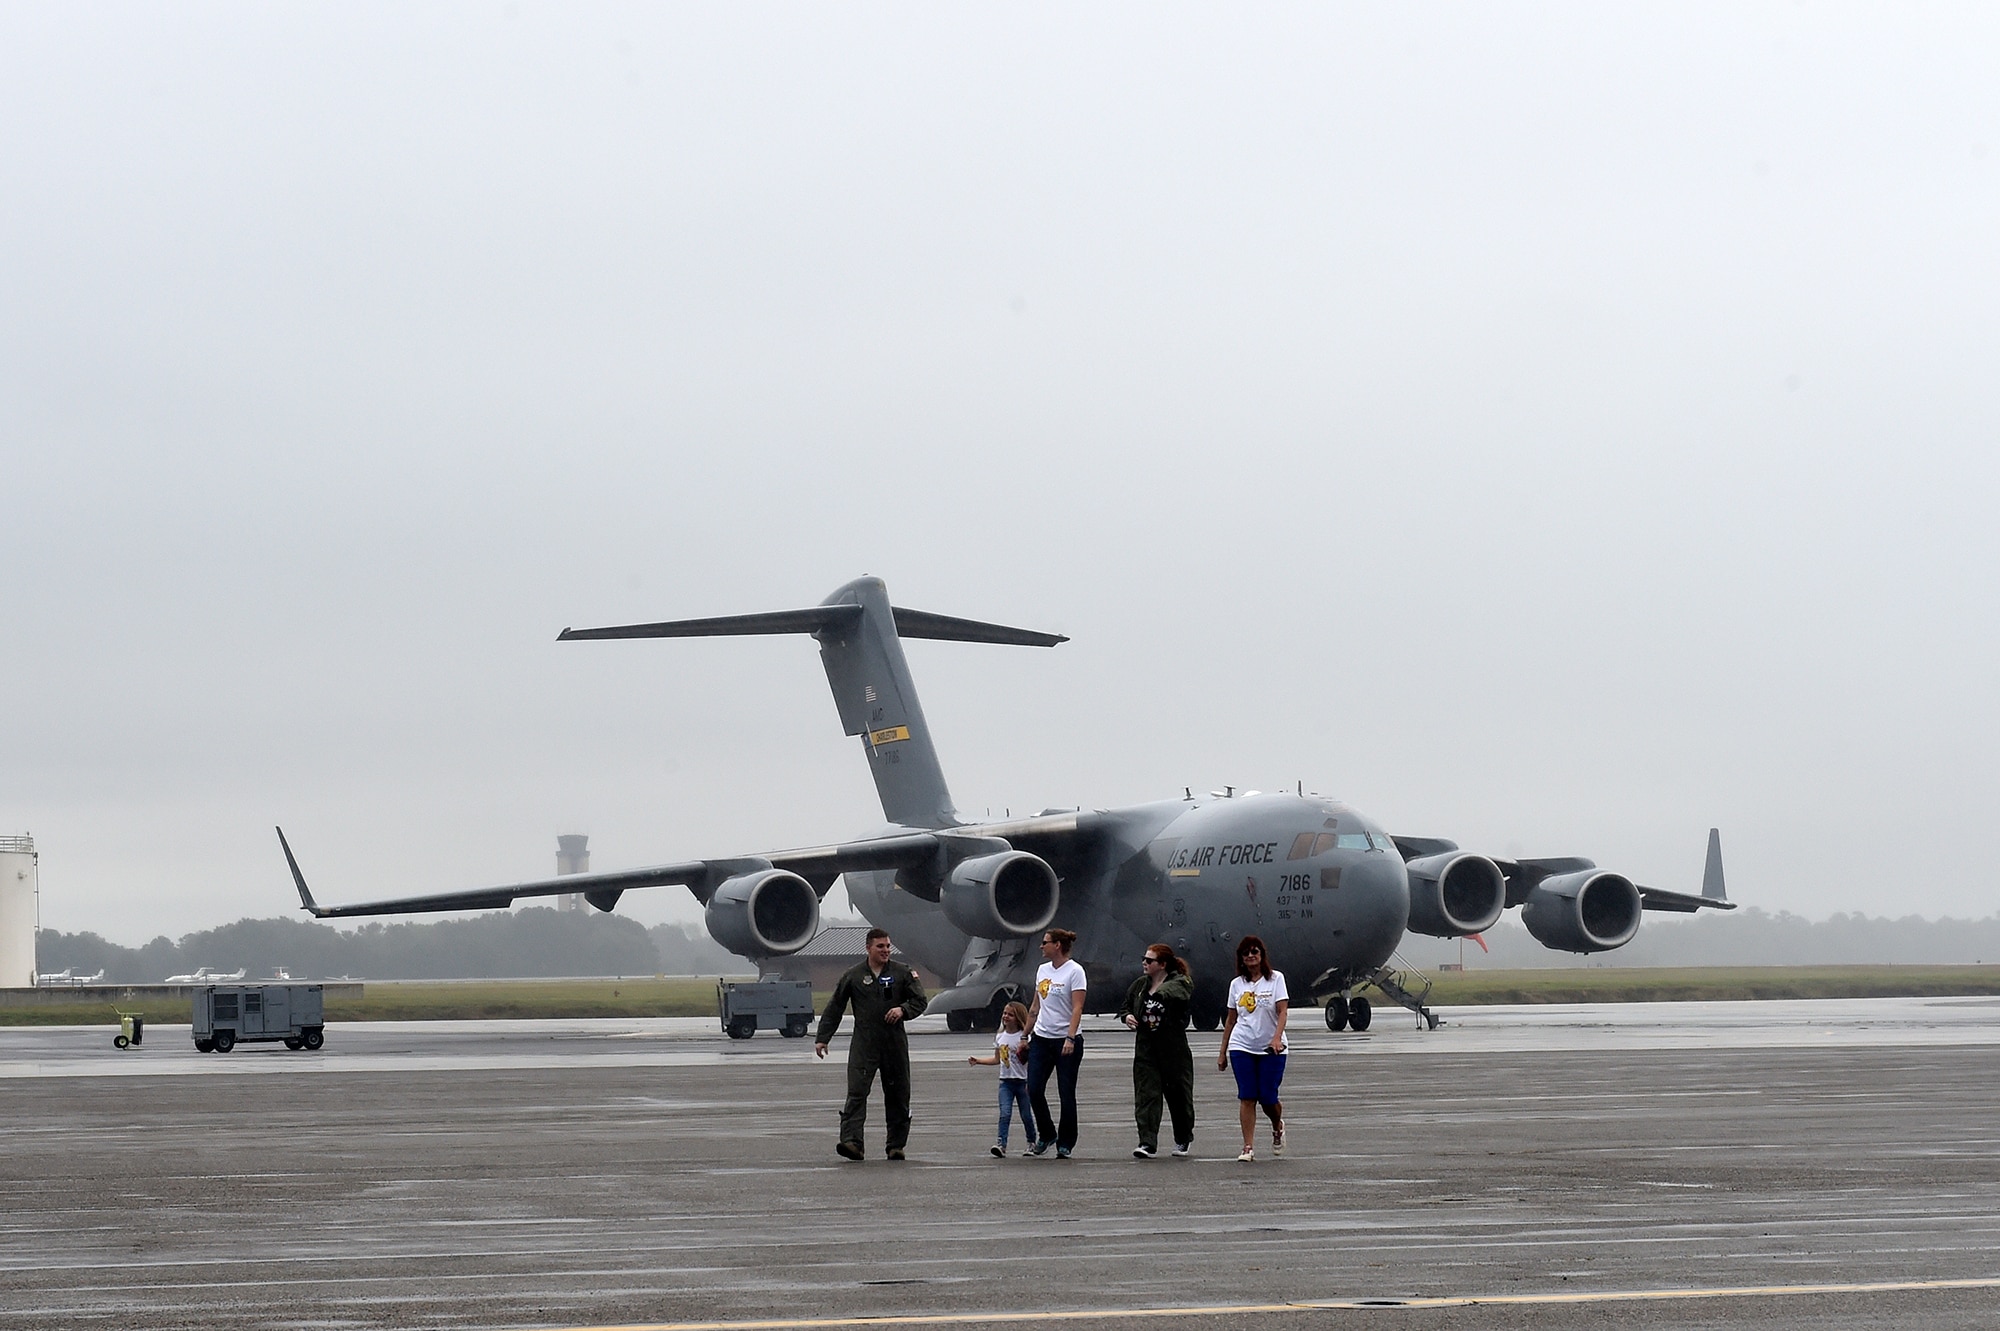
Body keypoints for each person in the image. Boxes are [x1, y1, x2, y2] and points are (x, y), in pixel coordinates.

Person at [815, 927, 928, 1160]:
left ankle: (896, 1145)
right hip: (864, 1044)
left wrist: (903, 1010)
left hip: (894, 1043)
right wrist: (822, 1038)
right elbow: (835, 1006)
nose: (886, 950)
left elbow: (920, 1000)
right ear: (868, 948)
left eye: (888, 946)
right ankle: (852, 1142)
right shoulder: (853, 975)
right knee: (857, 1092)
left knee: (898, 1094)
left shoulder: (902, 973)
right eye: (880, 946)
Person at [1118, 943, 1195, 1159]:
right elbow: (1126, 1005)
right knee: (1146, 1095)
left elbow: (1178, 992)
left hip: (1173, 1048)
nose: (1144, 963)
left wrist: (1160, 994)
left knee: (1179, 1095)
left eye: (1149, 960)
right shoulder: (1140, 985)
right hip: (1146, 1047)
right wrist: (1127, 1017)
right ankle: (1147, 1142)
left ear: (1162, 965)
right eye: (1144, 959)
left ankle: (1183, 1138)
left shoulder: (1179, 981)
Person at [1216, 934, 1288, 1163]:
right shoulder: (1236, 985)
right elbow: (1231, 1019)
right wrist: (1222, 1052)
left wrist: (1276, 1039)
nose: (1250, 956)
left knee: (1268, 1097)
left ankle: (1277, 1125)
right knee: (1247, 1096)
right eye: (1245, 953)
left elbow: (1282, 1012)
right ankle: (1248, 1146)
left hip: (1271, 1047)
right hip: (1242, 1044)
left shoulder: (1276, 979)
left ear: (1262, 955)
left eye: (1254, 952)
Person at [1023, 927, 1087, 1158]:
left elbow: (1077, 1007)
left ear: (1057, 945)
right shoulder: (1042, 970)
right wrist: (1024, 1035)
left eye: (1045, 942)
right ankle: (1047, 1133)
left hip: (1065, 1040)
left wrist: (1070, 1037)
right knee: (1034, 1088)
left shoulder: (1075, 971)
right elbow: (1035, 1006)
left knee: (1066, 1093)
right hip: (1042, 1038)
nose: (1041, 946)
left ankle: (1066, 1142)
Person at [966, 999, 1033, 1156]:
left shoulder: (1024, 1038)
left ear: (1018, 1018)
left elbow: (1032, 1061)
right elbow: (997, 1059)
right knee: (1005, 1113)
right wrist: (979, 1061)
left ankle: (1031, 1142)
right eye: (1004, 1013)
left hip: (1022, 1082)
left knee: (1026, 1115)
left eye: (1010, 1014)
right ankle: (1001, 1144)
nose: (1006, 1017)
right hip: (1006, 1083)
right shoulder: (1000, 1037)